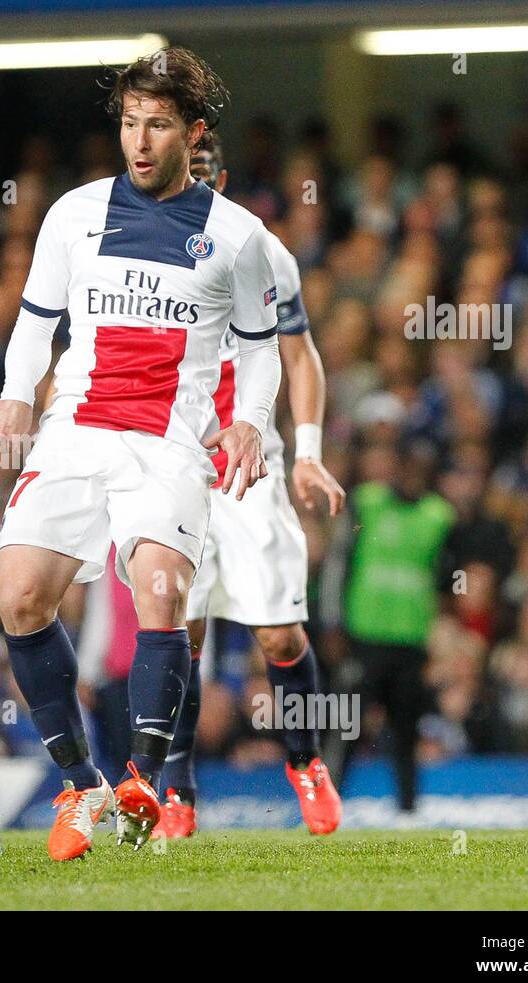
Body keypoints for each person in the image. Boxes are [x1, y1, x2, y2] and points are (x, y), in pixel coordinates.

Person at [0, 48, 282, 860]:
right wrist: (16, 391)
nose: (139, 141)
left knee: (162, 596)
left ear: (194, 133)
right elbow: (35, 318)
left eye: (156, 125)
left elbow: (263, 349)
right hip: (76, 430)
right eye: (127, 123)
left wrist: (250, 420)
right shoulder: (74, 213)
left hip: (170, 445)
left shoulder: (238, 236)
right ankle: (80, 788)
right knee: (18, 597)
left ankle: (143, 782)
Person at [152, 134, 345, 839]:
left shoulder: (262, 250)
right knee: (177, 633)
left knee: (279, 634)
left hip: (249, 460)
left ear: (220, 177)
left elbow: (301, 356)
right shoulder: (128, 253)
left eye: (200, 171)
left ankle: (304, 762)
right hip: (170, 463)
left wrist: (310, 451)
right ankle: (177, 789)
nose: (188, 183)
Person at [319, 441, 455, 812]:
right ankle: (325, 809)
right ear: (397, 466)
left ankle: (408, 810)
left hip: (411, 640)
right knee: (345, 727)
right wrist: (332, 622)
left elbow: (443, 580)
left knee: (407, 730)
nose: (414, 475)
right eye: (409, 466)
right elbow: (337, 563)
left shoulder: (438, 516)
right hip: (364, 635)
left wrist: (438, 635)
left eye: (423, 469)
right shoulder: (367, 502)